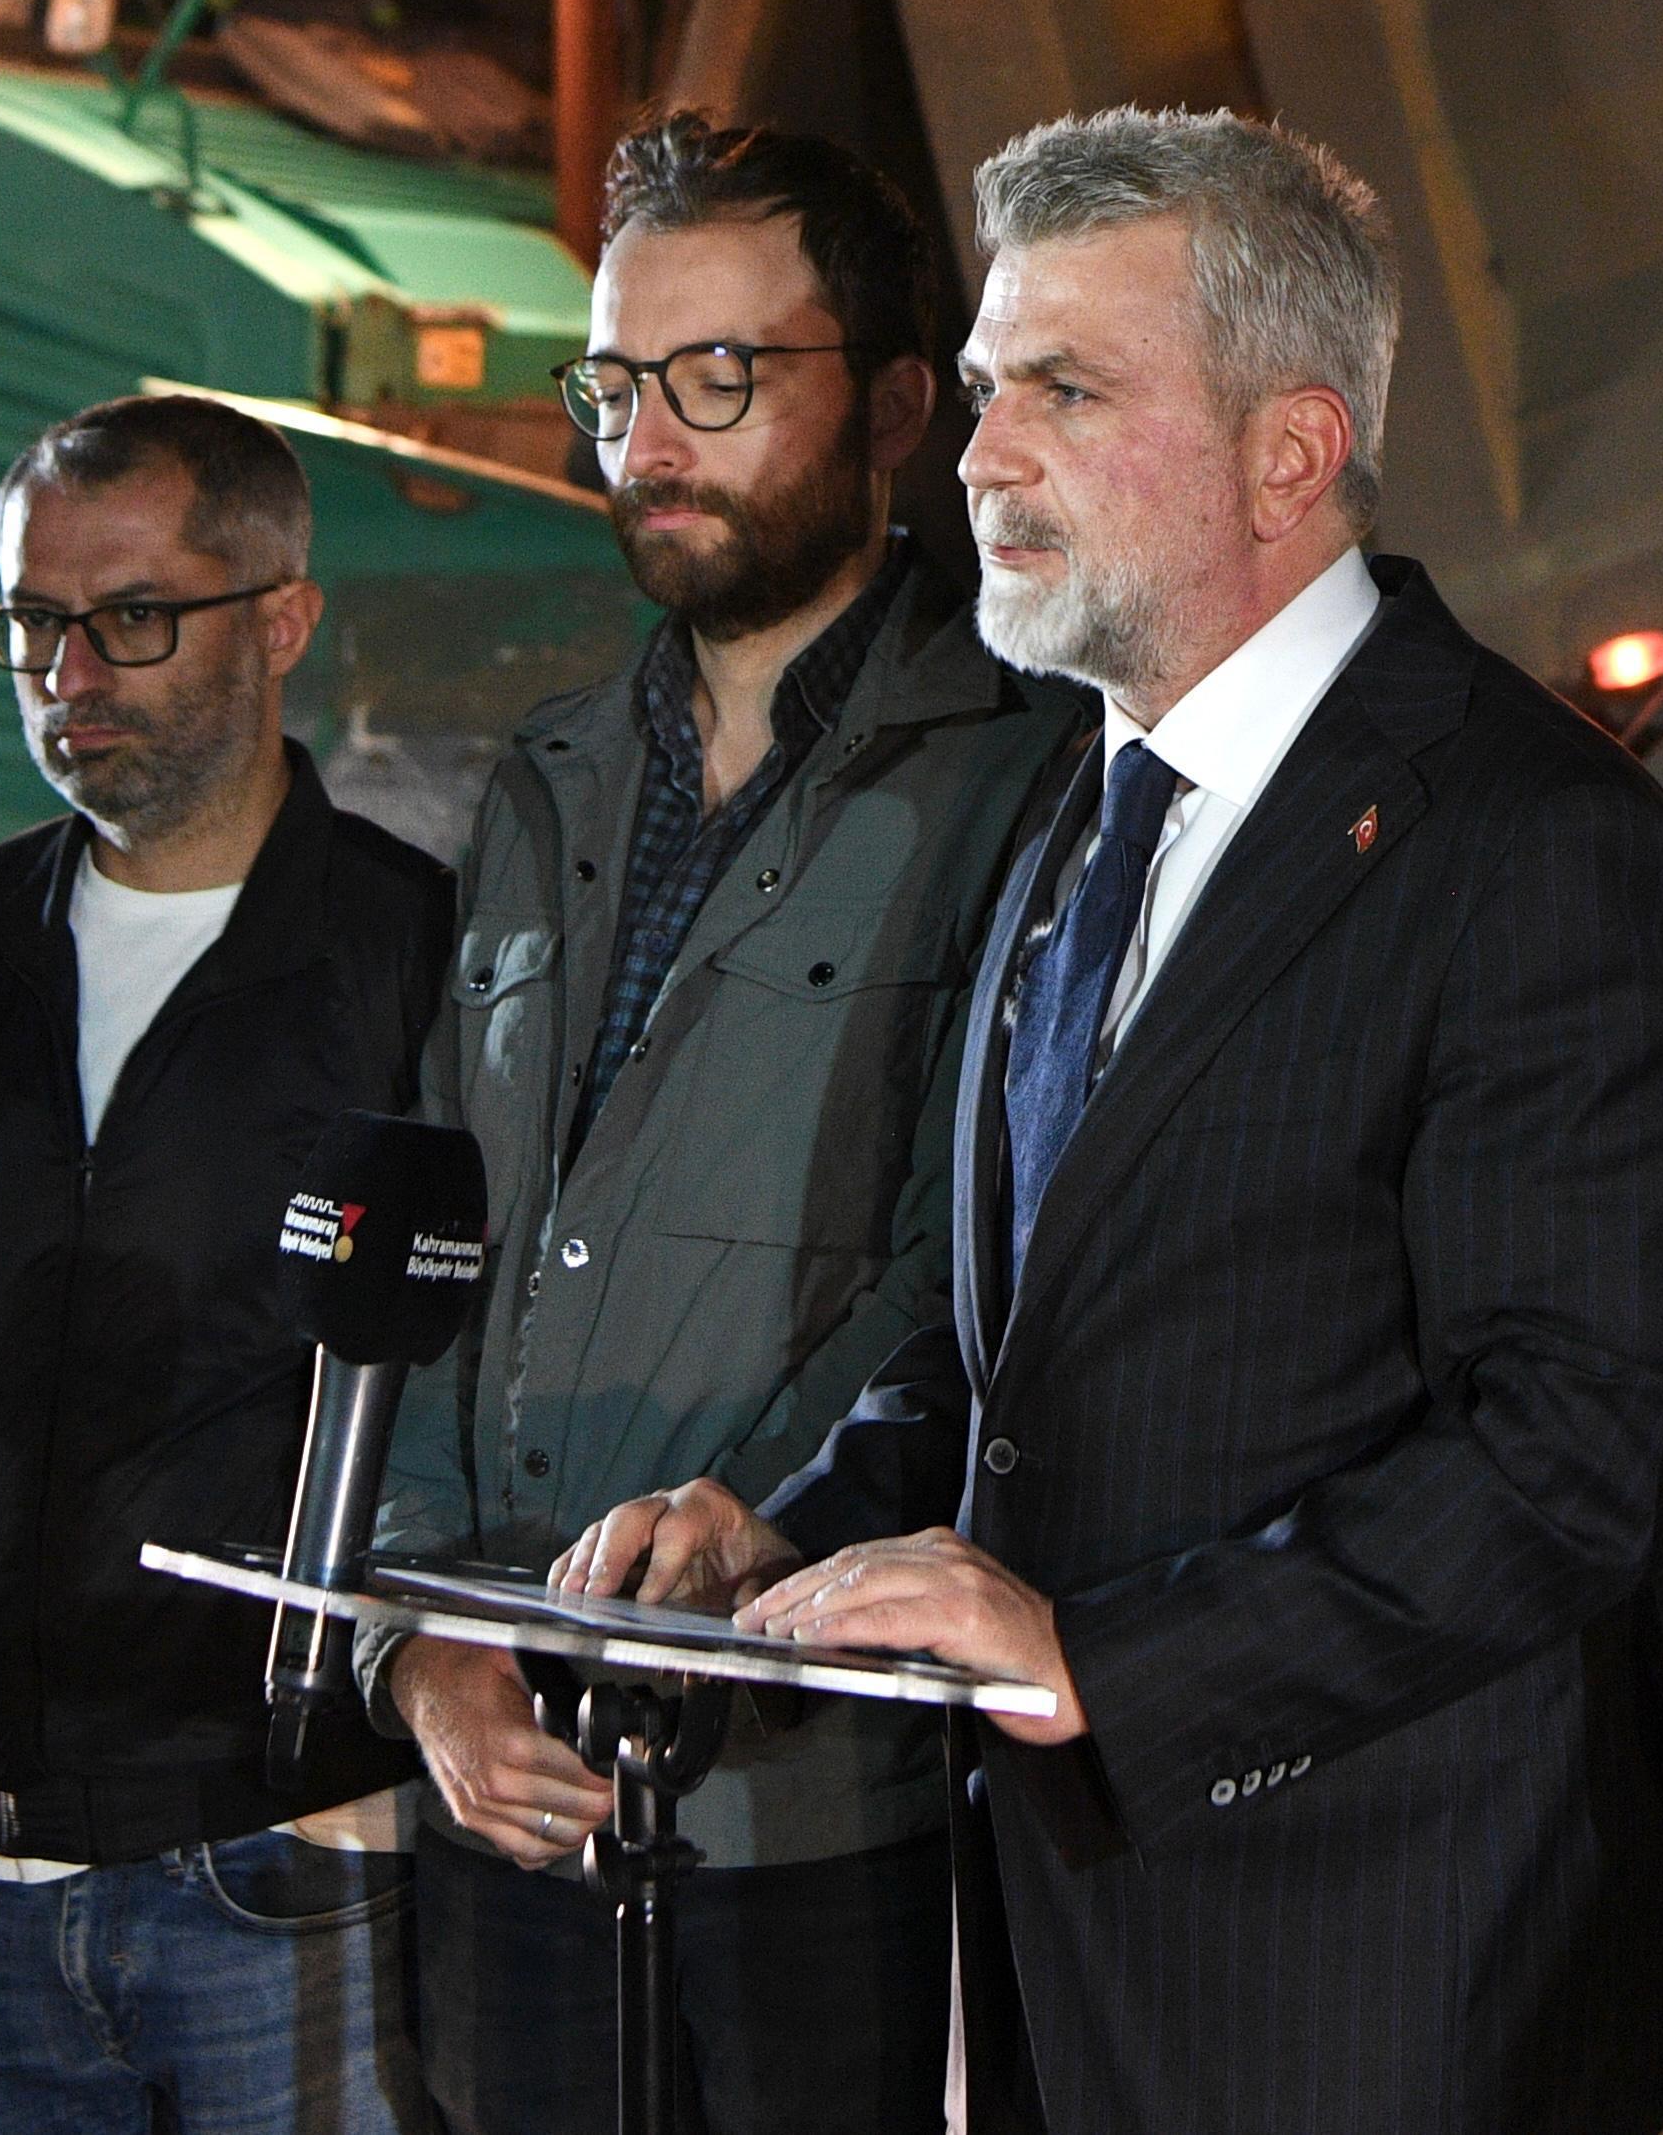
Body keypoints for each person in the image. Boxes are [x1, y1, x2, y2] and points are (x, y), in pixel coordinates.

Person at [566, 108, 1663, 2135]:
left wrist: (1101, 1667)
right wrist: (793, 1527)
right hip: (1071, 1964)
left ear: (1290, 453)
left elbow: (1572, 1455)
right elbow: (1028, 1347)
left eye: (1066, 390)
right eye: (988, 388)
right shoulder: (1084, 802)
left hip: (1393, 2000)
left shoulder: (1533, 838)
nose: (980, 455)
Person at [368, 112, 1074, 2134]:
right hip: (507, 1782)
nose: (648, 441)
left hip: (817, 1804)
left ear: (897, 407)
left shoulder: (1027, 777)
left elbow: (977, 1264)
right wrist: (419, 1638)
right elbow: (431, 1244)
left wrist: (772, 1533)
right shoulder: (547, 780)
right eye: (614, 386)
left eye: (719, 377)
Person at [0, 392, 446, 2134]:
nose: (68, 675)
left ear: (281, 620)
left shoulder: (412, 956)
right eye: (32, 622)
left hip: (282, 1864)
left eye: (129, 618)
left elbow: (469, 1383)